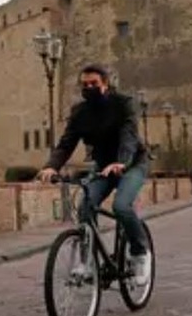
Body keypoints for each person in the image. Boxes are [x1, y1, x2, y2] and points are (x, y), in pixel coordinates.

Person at [38, 64, 151, 286]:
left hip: (132, 164)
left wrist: (122, 161)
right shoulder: (80, 113)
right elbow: (66, 143)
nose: (88, 88)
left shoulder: (123, 104)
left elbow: (129, 134)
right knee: (85, 207)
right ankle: (86, 261)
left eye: (94, 84)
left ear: (105, 85)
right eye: (85, 84)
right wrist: (52, 166)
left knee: (121, 207)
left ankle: (140, 253)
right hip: (103, 167)